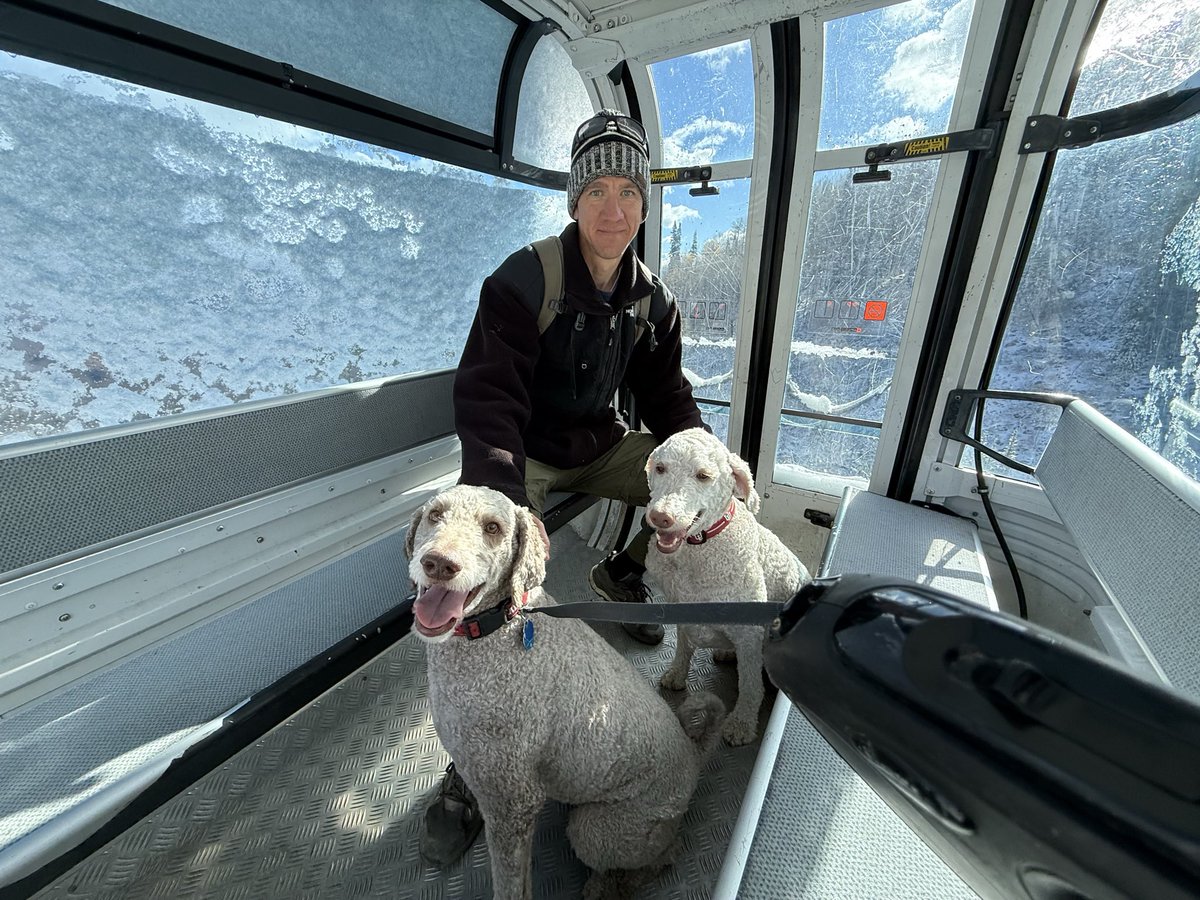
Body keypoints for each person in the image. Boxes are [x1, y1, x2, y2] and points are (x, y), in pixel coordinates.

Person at [419, 108, 707, 867]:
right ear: (574, 200)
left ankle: (623, 572)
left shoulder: (653, 303)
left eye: (630, 193)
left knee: (684, 483)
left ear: (646, 206)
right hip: (525, 455)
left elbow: (669, 403)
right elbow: (490, 398)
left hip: (603, 445)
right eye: (598, 190)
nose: (614, 209)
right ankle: (474, 758)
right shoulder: (524, 281)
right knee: (500, 565)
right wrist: (499, 500)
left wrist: (708, 464)